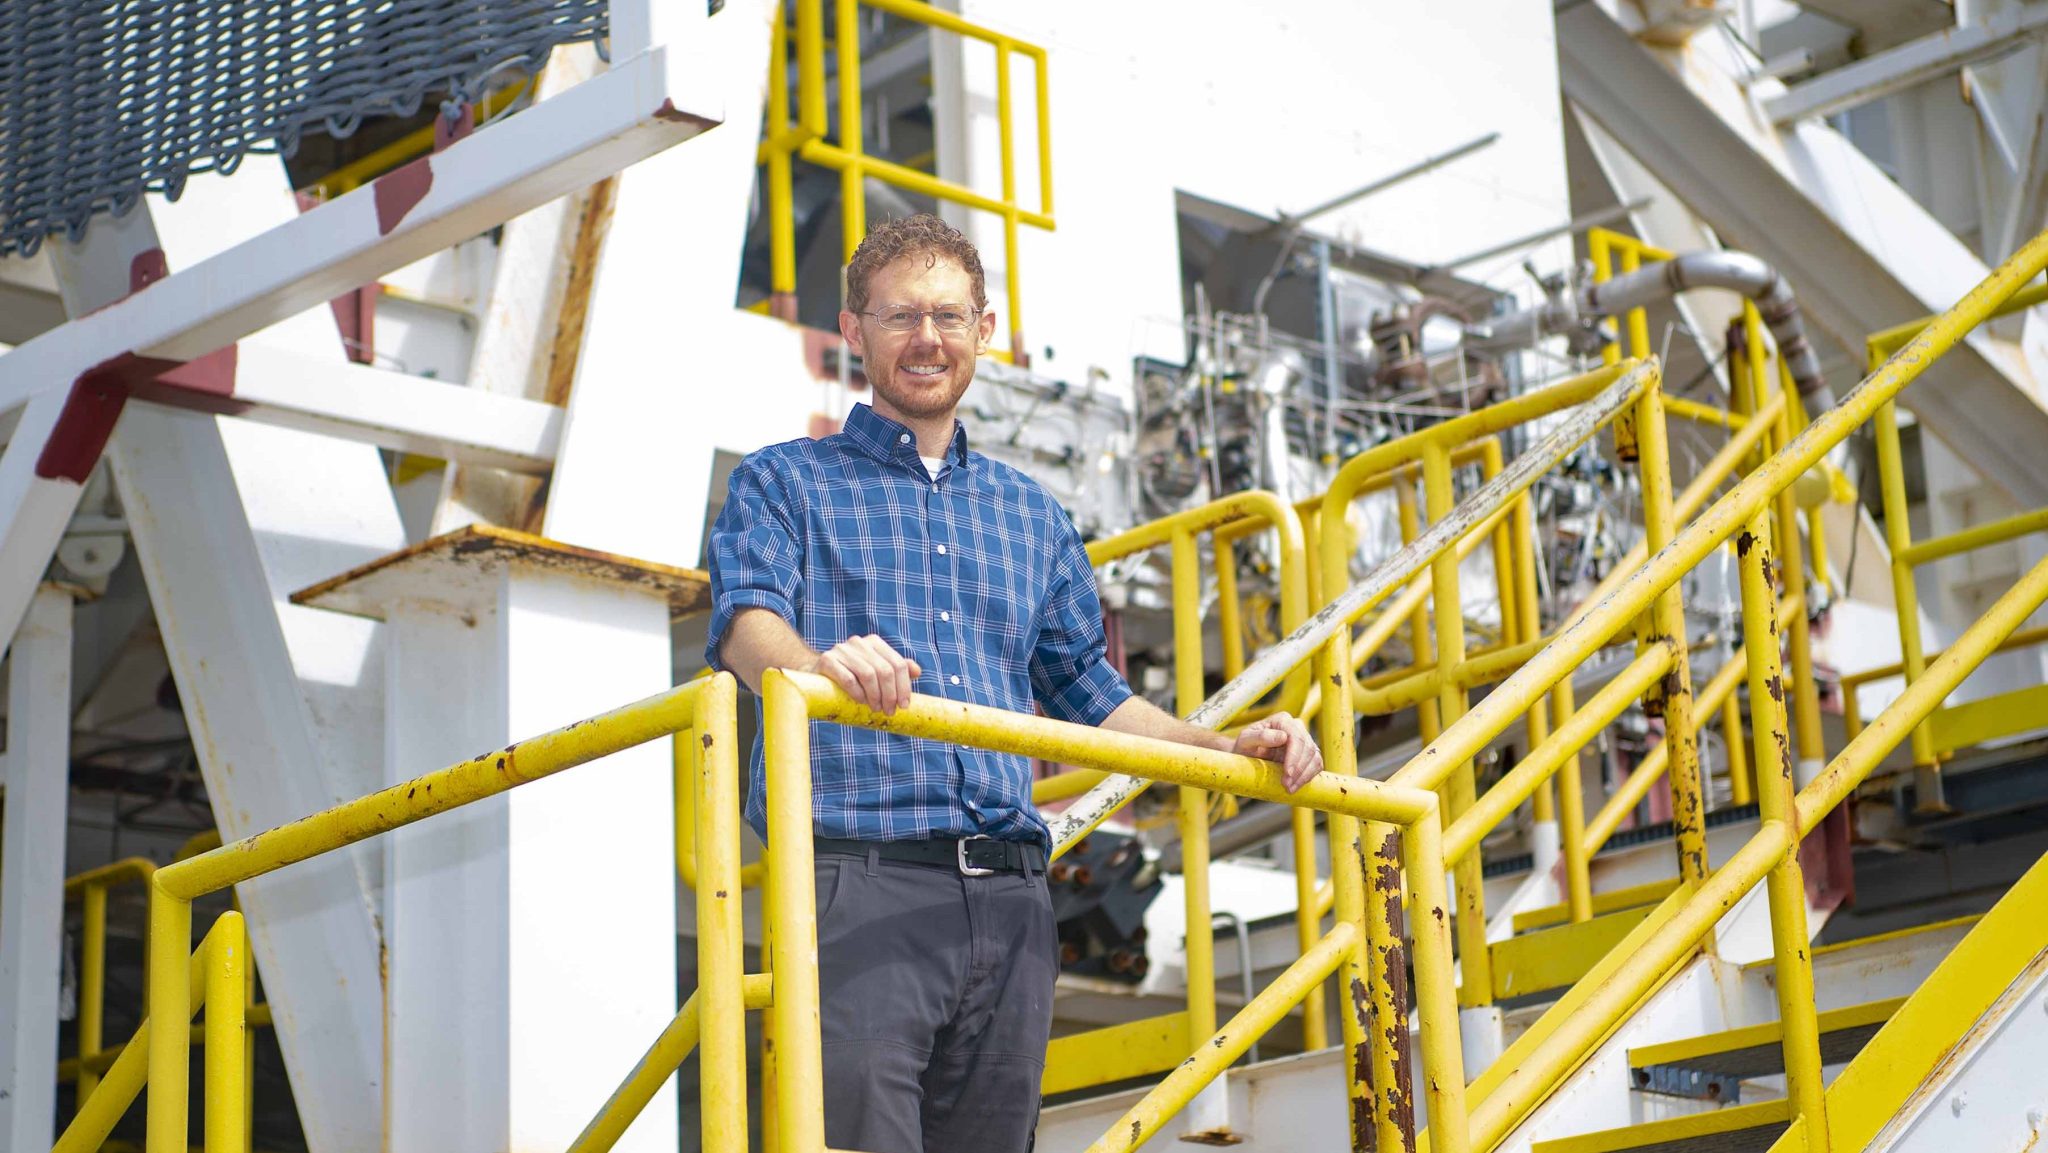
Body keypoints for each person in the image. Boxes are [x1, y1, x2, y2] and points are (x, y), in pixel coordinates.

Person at [705, 213, 1322, 1153]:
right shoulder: (785, 483)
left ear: (983, 330)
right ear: (854, 328)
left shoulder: (1032, 515)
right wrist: (819, 667)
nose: (927, 340)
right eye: (901, 315)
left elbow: (1089, 690)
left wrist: (1224, 746)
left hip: (1013, 901)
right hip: (859, 880)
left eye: (949, 317)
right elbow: (747, 625)